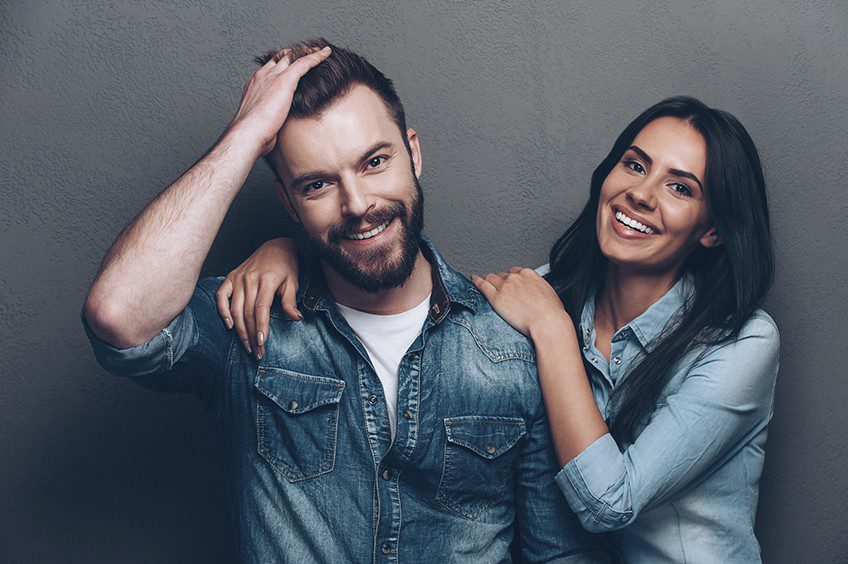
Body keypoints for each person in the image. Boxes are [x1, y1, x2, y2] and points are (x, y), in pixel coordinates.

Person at [81, 39, 611, 562]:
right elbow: (119, 315)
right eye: (317, 186)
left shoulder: (510, 344)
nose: (358, 205)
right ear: (289, 203)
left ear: (413, 153)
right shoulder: (249, 322)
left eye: (375, 162)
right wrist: (246, 135)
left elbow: (561, 554)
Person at [225, 96, 779, 562]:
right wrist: (290, 251)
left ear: (713, 231)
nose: (642, 193)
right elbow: (432, 297)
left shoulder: (741, 345)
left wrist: (552, 330)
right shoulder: (546, 296)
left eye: (681, 188)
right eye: (635, 165)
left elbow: (609, 502)